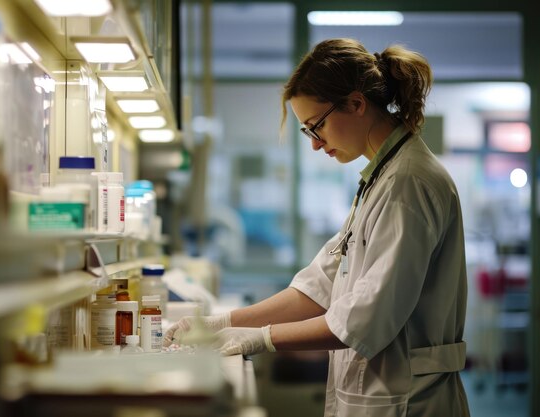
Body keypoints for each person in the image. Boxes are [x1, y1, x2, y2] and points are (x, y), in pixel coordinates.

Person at [164, 38, 470, 417]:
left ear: (356, 104)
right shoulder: (379, 178)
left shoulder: (408, 183)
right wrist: (224, 322)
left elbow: (364, 317)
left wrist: (260, 339)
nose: (314, 144)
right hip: (382, 394)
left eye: (315, 127)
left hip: (407, 400)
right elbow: (320, 287)